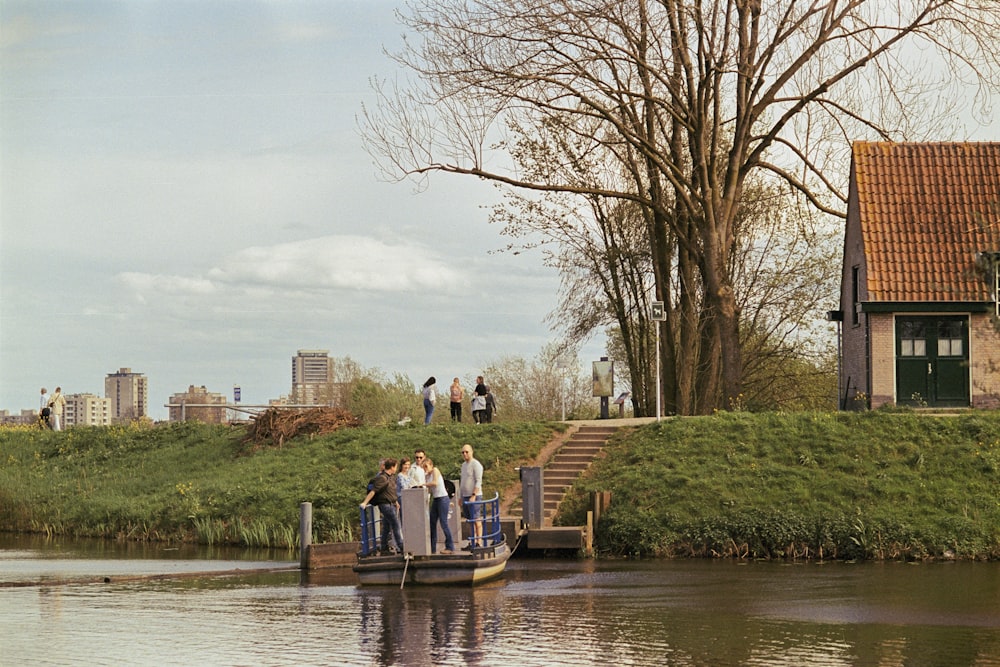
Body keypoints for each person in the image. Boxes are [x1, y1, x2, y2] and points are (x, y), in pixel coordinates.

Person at [361, 458, 403, 554]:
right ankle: (401, 546)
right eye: (395, 467)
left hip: (391, 504)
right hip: (385, 505)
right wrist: (365, 502)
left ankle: (384, 547)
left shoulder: (391, 477)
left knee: (387, 527)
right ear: (392, 467)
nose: (396, 469)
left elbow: (390, 491)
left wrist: (395, 502)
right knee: (396, 524)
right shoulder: (382, 478)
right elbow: (373, 491)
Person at [421, 457, 455, 554]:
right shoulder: (427, 476)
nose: (425, 469)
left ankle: (450, 547)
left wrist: (423, 483)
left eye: (426, 466)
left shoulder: (435, 470)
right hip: (436, 499)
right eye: (423, 467)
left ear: (431, 465)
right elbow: (429, 490)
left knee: (444, 523)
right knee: (432, 523)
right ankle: (432, 548)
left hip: (443, 498)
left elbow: (435, 483)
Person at [460, 444, 484, 547]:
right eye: (463, 452)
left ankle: (479, 541)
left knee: (476, 518)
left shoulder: (476, 464)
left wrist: (474, 495)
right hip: (465, 496)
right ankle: (472, 541)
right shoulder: (463, 465)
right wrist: (460, 497)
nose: (465, 454)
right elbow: (463, 481)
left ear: (471, 452)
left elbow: (478, 481)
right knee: (470, 520)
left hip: (474, 496)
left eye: (467, 452)